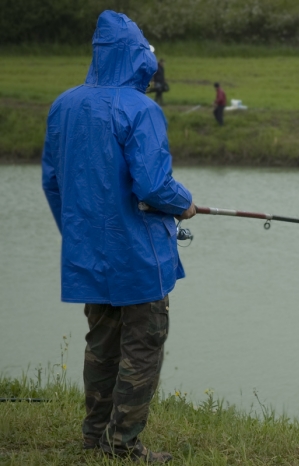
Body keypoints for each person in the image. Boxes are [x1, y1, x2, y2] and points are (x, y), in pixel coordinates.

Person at [41, 10, 196, 463]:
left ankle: (94, 436)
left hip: (89, 253)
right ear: (136, 58)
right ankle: (123, 445)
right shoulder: (141, 109)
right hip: (138, 254)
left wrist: (78, 234)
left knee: (102, 345)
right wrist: (184, 201)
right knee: (143, 347)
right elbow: (153, 185)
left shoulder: (63, 105)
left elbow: (53, 182)